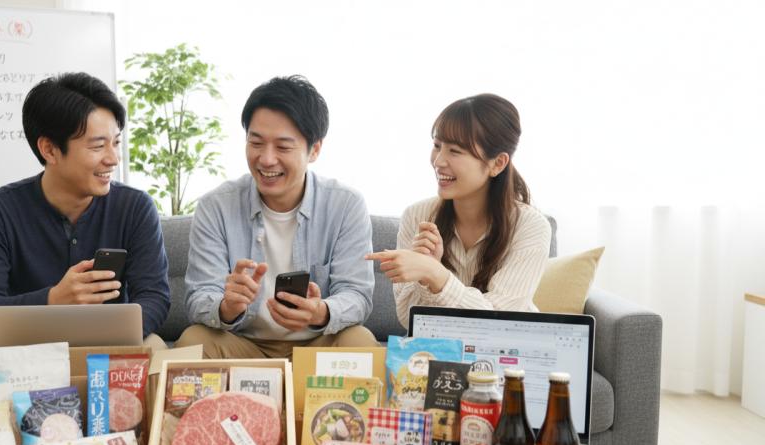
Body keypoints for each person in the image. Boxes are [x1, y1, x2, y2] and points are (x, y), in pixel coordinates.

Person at [0, 72, 170, 347]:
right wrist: (52, 300)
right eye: (98, 146)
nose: (113, 159)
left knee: (154, 346)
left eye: (116, 142)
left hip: (112, 345)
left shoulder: (135, 207)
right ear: (49, 150)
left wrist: (108, 335)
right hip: (25, 347)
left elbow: (154, 297)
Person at [175, 75, 377, 359]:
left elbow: (356, 294)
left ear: (314, 150)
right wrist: (226, 307)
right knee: (192, 342)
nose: (267, 159)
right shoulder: (215, 206)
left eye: (283, 147)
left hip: (316, 345)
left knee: (360, 342)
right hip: (243, 345)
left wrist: (320, 312)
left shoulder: (345, 205)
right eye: (256, 142)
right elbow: (199, 296)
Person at [367, 94, 551, 328]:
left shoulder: (530, 226)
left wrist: (436, 275)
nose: (438, 161)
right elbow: (408, 319)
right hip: (436, 346)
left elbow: (500, 322)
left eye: (455, 151)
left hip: (505, 349)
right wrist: (426, 280)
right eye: (437, 146)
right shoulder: (417, 216)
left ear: (498, 163)